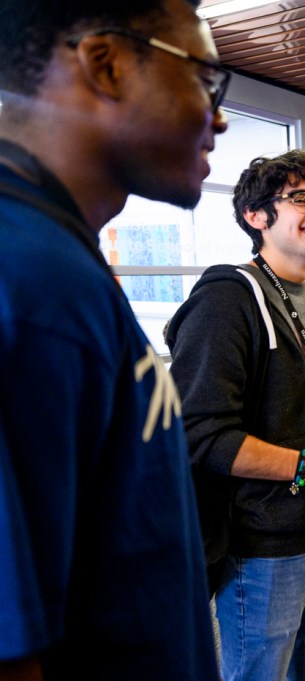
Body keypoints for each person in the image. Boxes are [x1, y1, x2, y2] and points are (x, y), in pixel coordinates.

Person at [0, 1, 227, 678]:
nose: (218, 117)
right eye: (204, 79)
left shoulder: (60, 255)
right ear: (106, 64)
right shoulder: (28, 280)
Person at [167, 149, 305, 681]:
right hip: (263, 549)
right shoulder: (225, 302)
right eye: (299, 198)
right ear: (256, 216)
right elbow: (201, 433)